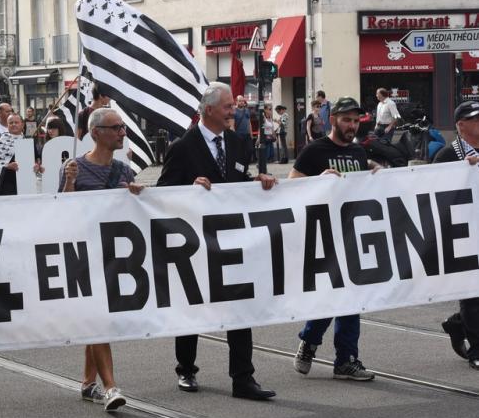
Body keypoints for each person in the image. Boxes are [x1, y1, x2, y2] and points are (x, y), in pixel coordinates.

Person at [157, 82, 277, 401]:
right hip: (195, 242)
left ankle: (243, 379)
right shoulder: (183, 147)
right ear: (208, 110)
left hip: (232, 238)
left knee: (241, 308)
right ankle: (186, 369)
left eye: (232, 107)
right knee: (192, 306)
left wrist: (258, 182)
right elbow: (163, 191)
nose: (232, 112)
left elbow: (239, 182)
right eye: (227, 107)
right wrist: (188, 186)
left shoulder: (238, 143)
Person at [60, 107, 143, 412]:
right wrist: (69, 183)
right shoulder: (75, 168)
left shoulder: (124, 170)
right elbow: (60, 213)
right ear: (96, 133)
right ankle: (110, 387)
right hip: (83, 255)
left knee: (96, 320)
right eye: (115, 127)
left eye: (123, 127)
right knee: (98, 321)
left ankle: (87, 383)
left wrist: (137, 195)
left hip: (114, 254)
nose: (122, 132)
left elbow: (137, 212)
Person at [290, 97, 376, 381]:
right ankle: (311, 340)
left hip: (352, 234)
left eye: (355, 121)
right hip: (321, 236)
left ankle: (346, 359)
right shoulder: (314, 150)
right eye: (347, 120)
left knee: (351, 297)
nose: (352, 126)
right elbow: (291, 186)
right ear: (333, 119)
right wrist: (316, 180)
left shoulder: (358, 153)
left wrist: (378, 178)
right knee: (331, 295)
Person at [434, 100, 479, 370]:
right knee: (473, 292)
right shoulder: (447, 156)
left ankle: (458, 323)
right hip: (463, 234)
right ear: (461, 126)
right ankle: (477, 347)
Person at [232, 95, 252, 172]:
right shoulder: (234, 111)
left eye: (243, 101)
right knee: (239, 154)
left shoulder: (246, 110)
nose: (242, 102)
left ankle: (245, 168)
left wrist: (250, 134)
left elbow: (249, 123)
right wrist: (234, 136)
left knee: (250, 151)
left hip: (247, 135)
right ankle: (241, 170)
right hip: (238, 135)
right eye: (240, 101)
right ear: (236, 102)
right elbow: (232, 125)